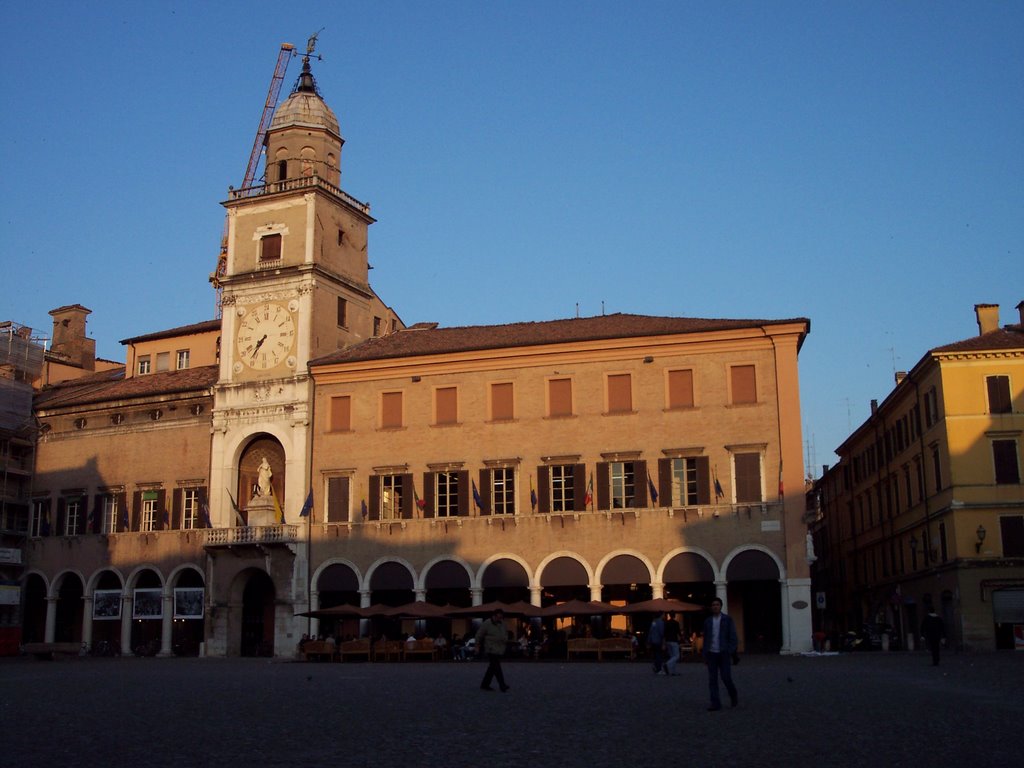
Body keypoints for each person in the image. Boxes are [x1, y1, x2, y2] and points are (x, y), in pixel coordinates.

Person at [702, 597, 739, 711]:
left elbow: (733, 636)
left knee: (726, 677)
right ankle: (715, 703)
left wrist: (730, 650)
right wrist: (705, 653)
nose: (715, 606)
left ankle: (733, 695)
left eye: (717, 604)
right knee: (712, 680)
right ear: (711, 607)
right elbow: (706, 638)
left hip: (723, 653)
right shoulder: (708, 621)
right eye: (713, 605)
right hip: (711, 653)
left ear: (721, 606)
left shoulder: (727, 620)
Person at [475, 608, 510, 692]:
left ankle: (485, 684)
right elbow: (479, 634)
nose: (499, 619)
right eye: (498, 617)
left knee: (492, 668)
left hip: (500, 648)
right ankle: (502, 685)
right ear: (493, 616)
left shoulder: (502, 624)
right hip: (490, 648)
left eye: (501, 617)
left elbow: (505, 633)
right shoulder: (487, 623)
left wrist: (505, 638)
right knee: (497, 666)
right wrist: (477, 645)